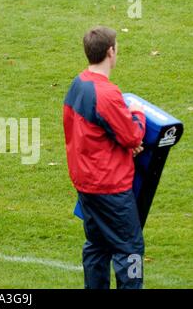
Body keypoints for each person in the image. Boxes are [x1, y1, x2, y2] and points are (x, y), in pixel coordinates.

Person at [63, 26, 146, 289]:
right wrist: (137, 114)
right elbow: (133, 136)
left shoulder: (77, 84)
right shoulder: (107, 94)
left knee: (97, 246)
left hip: (85, 183)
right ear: (111, 51)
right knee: (130, 249)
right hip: (110, 188)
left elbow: (87, 131)